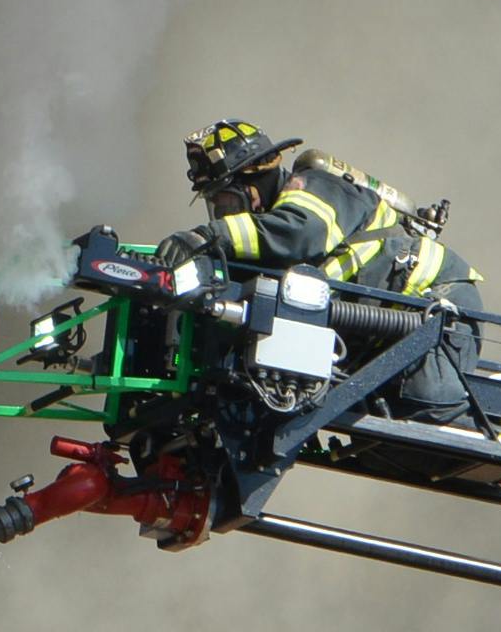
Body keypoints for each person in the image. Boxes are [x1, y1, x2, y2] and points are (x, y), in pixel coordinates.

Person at [156, 119, 482, 422]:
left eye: (226, 203)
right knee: (379, 423)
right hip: (384, 337)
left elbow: (302, 233)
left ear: (255, 180)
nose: (223, 217)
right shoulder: (266, 244)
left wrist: (207, 237)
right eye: (216, 209)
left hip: (439, 307)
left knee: (424, 404)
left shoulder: (311, 187)